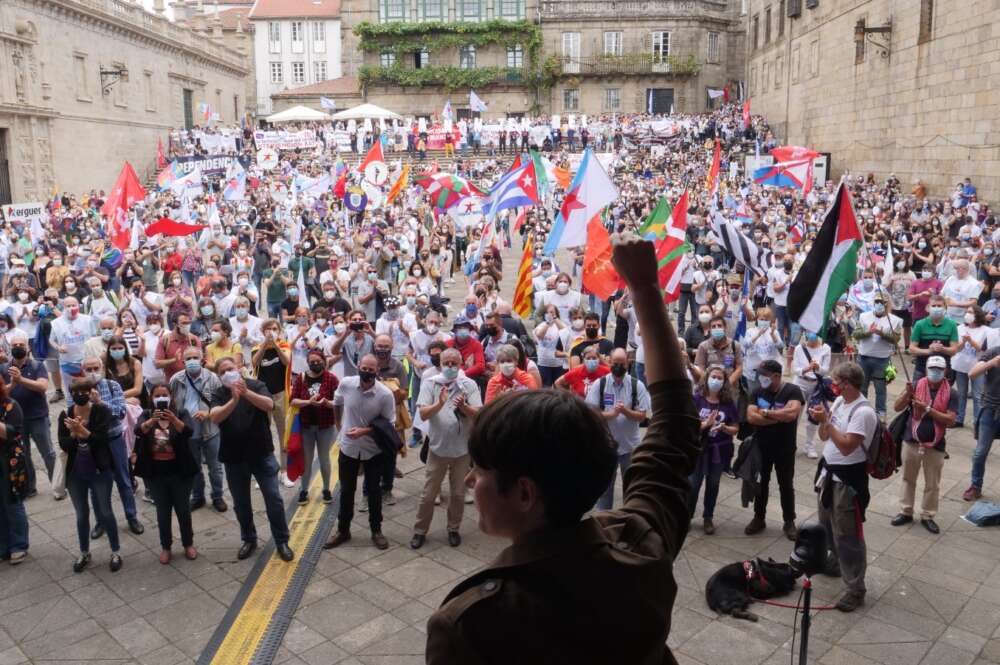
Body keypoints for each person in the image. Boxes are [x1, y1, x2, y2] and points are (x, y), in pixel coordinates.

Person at [425, 233, 700, 664]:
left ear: (524, 493)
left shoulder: (474, 625)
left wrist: (643, 291)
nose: (472, 480)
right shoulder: (638, 546)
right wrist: (645, 288)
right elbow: (675, 432)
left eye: (482, 470)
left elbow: (673, 426)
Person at [808, 361, 879, 613]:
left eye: (836, 381)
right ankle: (836, 562)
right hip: (828, 474)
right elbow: (825, 437)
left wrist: (829, 423)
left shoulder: (863, 413)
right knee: (826, 525)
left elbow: (848, 445)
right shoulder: (839, 403)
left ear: (847, 384)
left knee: (848, 536)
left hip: (848, 482)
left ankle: (855, 588)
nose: (832, 385)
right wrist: (822, 421)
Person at [209, 356, 294, 562]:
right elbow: (215, 416)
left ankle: (281, 540)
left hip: (261, 453)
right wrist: (234, 400)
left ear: (239, 368)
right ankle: (249, 538)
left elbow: (268, 405)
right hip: (234, 458)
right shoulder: (219, 393)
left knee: (273, 499)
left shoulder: (256, 385)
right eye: (222, 372)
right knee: (241, 503)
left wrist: (246, 393)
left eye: (230, 368)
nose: (227, 373)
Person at [410, 348, 481, 550]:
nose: (450, 367)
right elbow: (422, 413)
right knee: (428, 494)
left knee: (458, 493)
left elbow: (478, 414)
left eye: (454, 363)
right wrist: (439, 404)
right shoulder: (431, 383)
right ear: (440, 364)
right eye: (446, 363)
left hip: (461, 451)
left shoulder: (469, 385)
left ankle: (453, 529)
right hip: (437, 449)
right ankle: (420, 531)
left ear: (461, 365)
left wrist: (465, 407)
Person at [324, 354, 396, 551]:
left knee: (374, 491)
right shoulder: (347, 384)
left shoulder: (384, 394)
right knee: (347, 491)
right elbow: (337, 401)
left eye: (371, 369)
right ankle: (343, 530)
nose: (367, 372)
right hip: (348, 448)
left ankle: (376, 530)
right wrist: (338, 424)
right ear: (358, 366)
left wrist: (365, 431)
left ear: (377, 371)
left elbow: (390, 424)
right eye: (364, 367)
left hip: (373, 450)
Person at [58, 377, 123, 573]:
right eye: (76, 392)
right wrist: (73, 433)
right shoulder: (66, 414)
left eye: (84, 391)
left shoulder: (101, 411)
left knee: (105, 511)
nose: (80, 395)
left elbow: (101, 440)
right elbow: (64, 444)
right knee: (81, 514)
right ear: (71, 394)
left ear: (91, 392)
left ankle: (115, 551)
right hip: (76, 472)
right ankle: (84, 552)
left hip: (99, 469)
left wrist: (81, 430)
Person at [890, 356, 957, 535]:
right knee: (907, 478)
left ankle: (928, 515)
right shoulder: (916, 385)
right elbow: (897, 407)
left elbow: (950, 420)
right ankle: (906, 511)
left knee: (932, 483)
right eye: (932, 369)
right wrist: (906, 394)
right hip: (911, 440)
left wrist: (928, 409)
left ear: (945, 372)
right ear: (926, 370)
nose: (935, 372)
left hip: (935, 446)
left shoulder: (951, 392)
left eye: (939, 369)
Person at [133, 384, 199, 564]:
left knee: (183, 510)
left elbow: (189, 432)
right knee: (162, 512)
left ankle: (188, 543)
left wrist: (174, 420)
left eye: (164, 395)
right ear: (151, 398)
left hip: (180, 472)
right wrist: (151, 421)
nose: (161, 398)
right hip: (156, 473)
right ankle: (166, 546)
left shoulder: (181, 412)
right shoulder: (147, 415)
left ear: (171, 397)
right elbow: (138, 431)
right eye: (157, 395)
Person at [81, 355, 144, 536]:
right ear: (83, 370)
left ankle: (131, 517)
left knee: (124, 480)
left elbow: (119, 411)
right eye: (89, 369)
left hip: (114, 439)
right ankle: (101, 520)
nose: (93, 373)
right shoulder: (79, 389)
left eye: (95, 368)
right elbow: (75, 413)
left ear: (102, 368)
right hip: (94, 443)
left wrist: (99, 403)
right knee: (96, 484)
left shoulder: (112, 386)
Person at [744, 359, 803, 540]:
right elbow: (751, 418)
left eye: (764, 375)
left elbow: (792, 414)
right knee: (761, 483)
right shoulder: (756, 391)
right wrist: (779, 417)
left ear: (776, 376)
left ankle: (789, 521)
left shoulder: (793, 391)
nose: (760, 378)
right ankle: (759, 517)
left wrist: (766, 413)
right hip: (762, 447)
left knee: (786, 484)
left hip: (785, 448)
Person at [585, 347, 650, 510]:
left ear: (627, 364)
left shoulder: (637, 385)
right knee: (605, 488)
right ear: (609, 362)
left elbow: (642, 415)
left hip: (630, 447)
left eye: (622, 363)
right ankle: (603, 521)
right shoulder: (600, 384)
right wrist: (610, 414)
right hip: (606, 446)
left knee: (631, 487)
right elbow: (590, 413)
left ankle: (629, 518)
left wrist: (626, 412)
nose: (618, 367)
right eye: (615, 363)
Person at [169, 347, 226, 512]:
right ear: (183, 361)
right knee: (194, 466)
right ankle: (198, 496)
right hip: (188, 432)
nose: (192, 361)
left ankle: (217, 496)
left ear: (202, 359)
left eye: (195, 357)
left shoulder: (213, 378)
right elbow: (171, 402)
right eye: (188, 358)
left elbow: (221, 402)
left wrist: (208, 413)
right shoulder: (176, 379)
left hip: (210, 429)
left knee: (215, 467)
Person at [2, 330, 54, 498]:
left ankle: (58, 485)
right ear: (10, 349)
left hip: (38, 416)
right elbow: (3, 394)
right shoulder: (3, 369)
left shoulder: (37, 366)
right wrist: (13, 384)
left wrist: (21, 379)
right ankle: (30, 487)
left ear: (28, 348)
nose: (18, 348)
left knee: (48, 453)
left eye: (21, 345)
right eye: (15, 346)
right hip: (16, 420)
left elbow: (42, 387)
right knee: (24, 455)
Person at [687, 365, 738, 535]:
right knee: (694, 484)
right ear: (707, 378)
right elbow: (689, 426)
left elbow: (735, 427)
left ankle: (708, 517)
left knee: (713, 484)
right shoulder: (697, 399)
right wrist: (705, 425)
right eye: (713, 377)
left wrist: (724, 428)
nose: (716, 380)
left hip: (719, 451)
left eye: (720, 378)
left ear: (724, 382)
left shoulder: (728, 403)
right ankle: (687, 516)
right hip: (699, 449)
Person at [290, 349, 338, 505]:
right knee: (307, 460)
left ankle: (326, 489)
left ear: (324, 361)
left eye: (318, 361)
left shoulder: (331, 378)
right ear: (308, 362)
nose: (316, 364)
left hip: (325, 426)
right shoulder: (301, 378)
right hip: (306, 426)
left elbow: (338, 402)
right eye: (312, 362)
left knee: (324, 459)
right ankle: (304, 490)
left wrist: (326, 403)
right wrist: (308, 402)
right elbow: (293, 401)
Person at [250, 319, 295, 487]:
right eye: (268, 329)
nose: (271, 332)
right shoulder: (257, 348)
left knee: (284, 434)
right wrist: (264, 345)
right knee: (263, 433)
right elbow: (254, 363)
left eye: (274, 329)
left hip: (281, 395)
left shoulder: (284, 346)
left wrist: (275, 344)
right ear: (263, 332)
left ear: (280, 331)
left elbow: (286, 361)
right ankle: (267, 470)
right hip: (263, 396)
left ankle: (285, 471)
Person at [853, 294, 902, 418]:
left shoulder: (895, 320)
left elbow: (896, 339)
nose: (879, 304)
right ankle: (861, 411)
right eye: (877, 301)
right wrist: (868, 332)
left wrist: (882, 333)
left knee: (880, 389)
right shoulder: (864, 316)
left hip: (882, 359)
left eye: (882, 302)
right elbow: (856, 334)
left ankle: (881, 413)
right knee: (862, 386)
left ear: (887, 304)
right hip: (864, 357)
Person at [965, 344, 1000, 501]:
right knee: (980, 452)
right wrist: (991, 363)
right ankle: (975, 486)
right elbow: (972, 373)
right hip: (990, 409)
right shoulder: (995, 351)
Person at [793, 331, 832, 458]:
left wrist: (817, 367)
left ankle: (809, 446)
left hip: (816, 385)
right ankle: (790, 443)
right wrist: (807, 368)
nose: (812, 336)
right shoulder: (799, 348)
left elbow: (825, 370)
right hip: (800, 383)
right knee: (795, 414)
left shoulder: (825, 348)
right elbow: (796, 369)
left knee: (813, 415)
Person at [0, 379, 27, 564]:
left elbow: (11, 432)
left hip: (8, 460)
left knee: (12, 501)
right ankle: (3, 546)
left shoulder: (11, 405)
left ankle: (19, 544)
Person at [952, 305, 989, 427]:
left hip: (977, 367)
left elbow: (983, 350)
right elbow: (956, 348)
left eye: (970, 312)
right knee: (961, 393)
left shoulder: (985, 330)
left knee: (977, 396)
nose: (967, 314)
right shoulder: (960, 328)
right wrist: (963, 342)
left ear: (977, 315)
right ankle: (959, 418)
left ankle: (977, 422)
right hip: (961, 366)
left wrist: (970, 341)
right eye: (967, 312)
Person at [909, 295, 959, 383]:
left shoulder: (952, 325)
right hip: (922, 368)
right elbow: (912, 349)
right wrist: (929, 351)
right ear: (928, 308)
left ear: (945, 308)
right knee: (918, 394)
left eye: (939, 306)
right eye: (934, 306)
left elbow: (954, 350)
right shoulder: (920, 324)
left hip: (944, 369)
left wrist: (942, 349)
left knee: (944, 396)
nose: (936, 308)